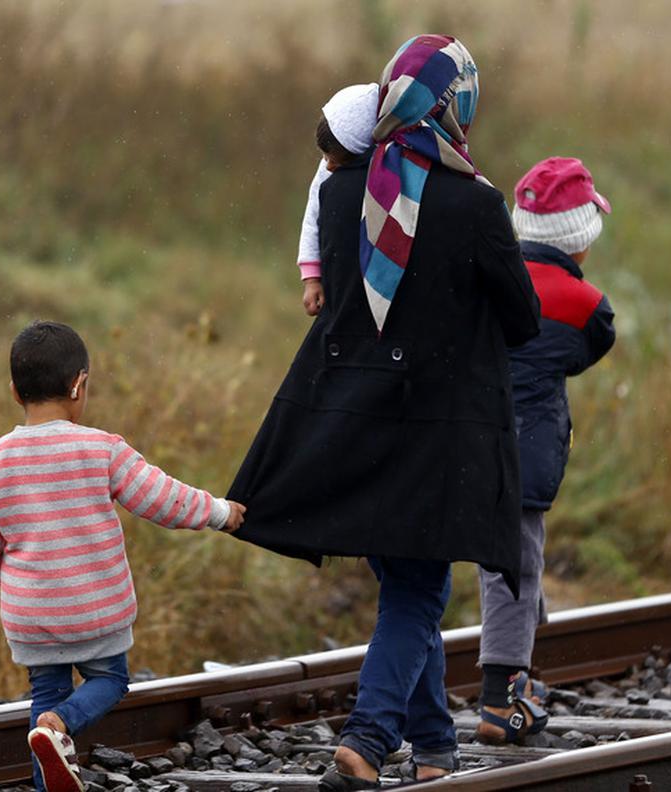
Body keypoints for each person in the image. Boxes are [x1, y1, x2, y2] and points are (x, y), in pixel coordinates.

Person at [227, 35, 540, 790]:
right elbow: (523, 316)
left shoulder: (340, 194)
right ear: (455, 105)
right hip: (436, 437)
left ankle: (433, 748)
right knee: (418, 588)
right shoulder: (475, 201)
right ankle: (368, 739)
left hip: (350, 426)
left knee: (406, 577)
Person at [0, 320, 246, 792]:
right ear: (79, 385)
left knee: (46, 693)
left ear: (15, 391)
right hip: (96, 609)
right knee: (110, 681)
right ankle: (61, 724)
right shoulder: (101, 450)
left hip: (32, 613)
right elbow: (163, 499)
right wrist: (220, 513)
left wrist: (5, 580)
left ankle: (48, 766)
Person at [476, 157, 617, 744]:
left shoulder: (484, 282)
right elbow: (586, 350)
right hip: (527, 453)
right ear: (581, 238)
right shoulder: (586, 304)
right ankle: (498, 701)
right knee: (514, 567)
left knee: (510, 563)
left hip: (468, 442)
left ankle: (520, 680)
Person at [295, 82, 380, 319]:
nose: (328, 166)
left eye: (336, 161)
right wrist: (312, 278)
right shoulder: (326, 170)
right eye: (324, 158)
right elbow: (313, 218)